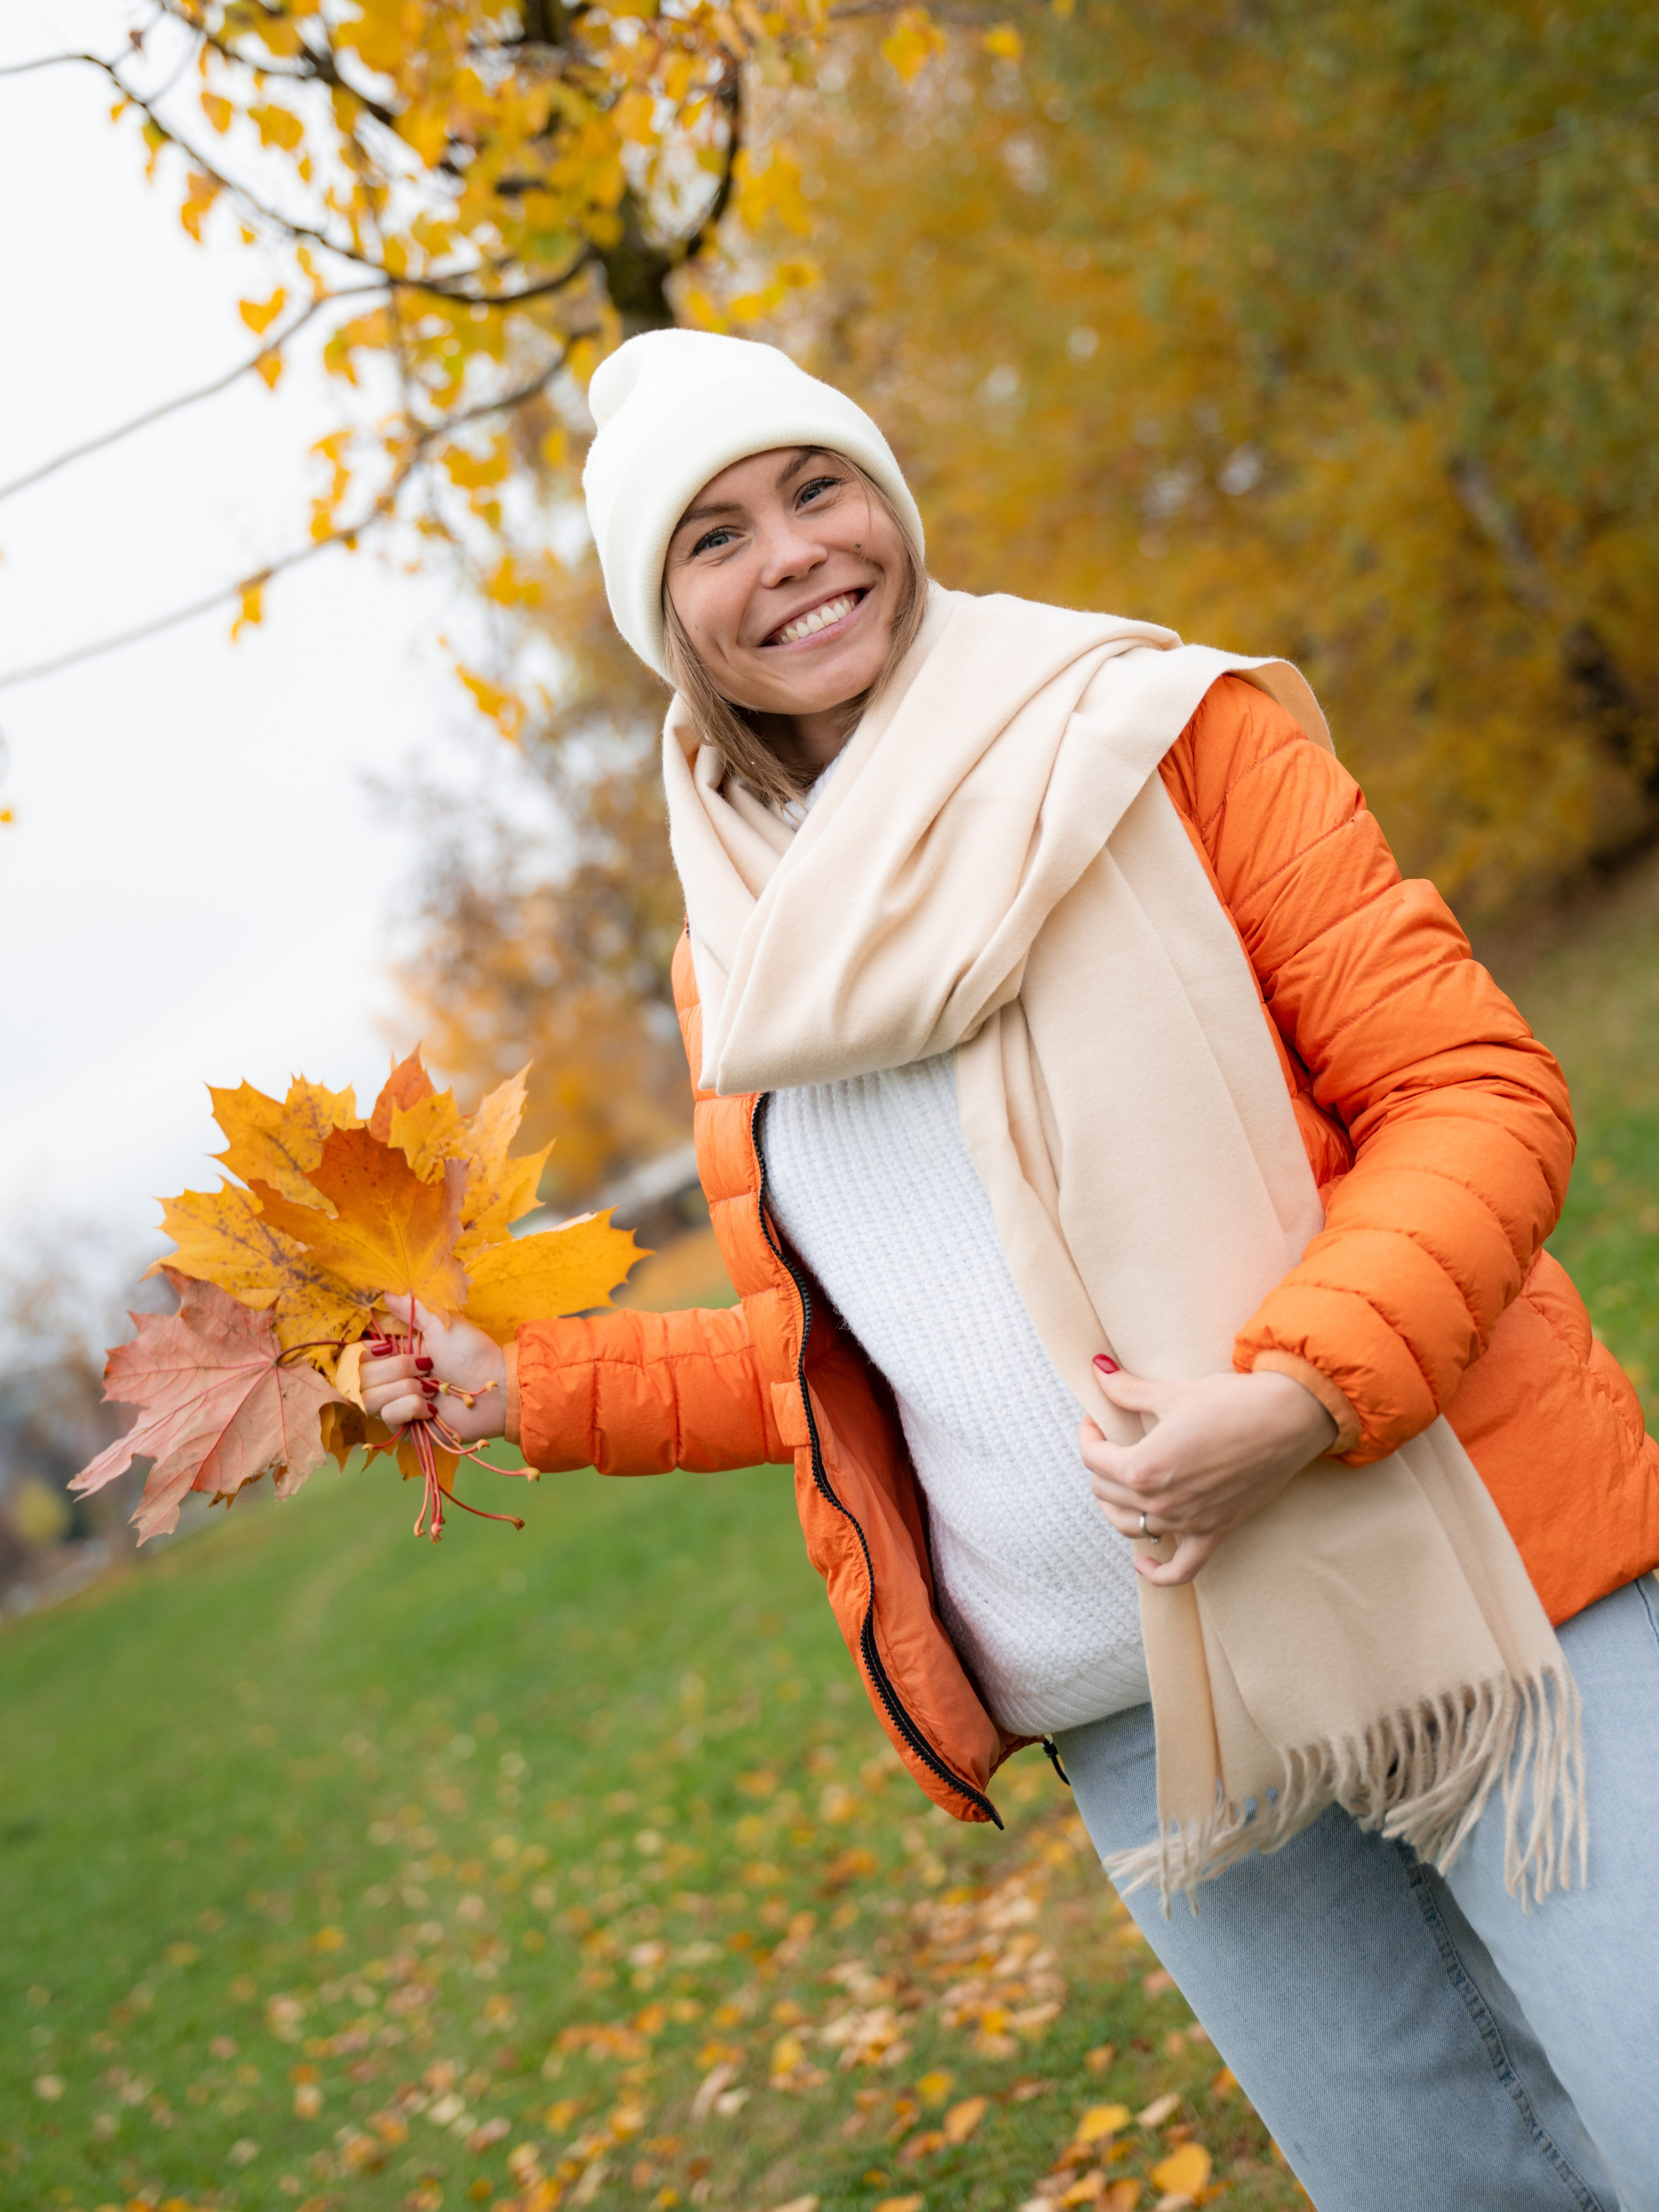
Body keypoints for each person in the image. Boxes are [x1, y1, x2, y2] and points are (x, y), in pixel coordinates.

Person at [362, 332, 1659, 2211]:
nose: (793, 552)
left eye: (820, 486)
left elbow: (1471, 1092)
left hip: (1478, 1568)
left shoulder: (1155, 730)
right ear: (668, 618)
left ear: (891, 502)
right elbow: (874, 1347)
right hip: (1138, 1714)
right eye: (715, 534)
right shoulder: (737, 961)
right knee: (1432, 2186)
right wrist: (528, 1390)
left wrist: (1293, 1394)